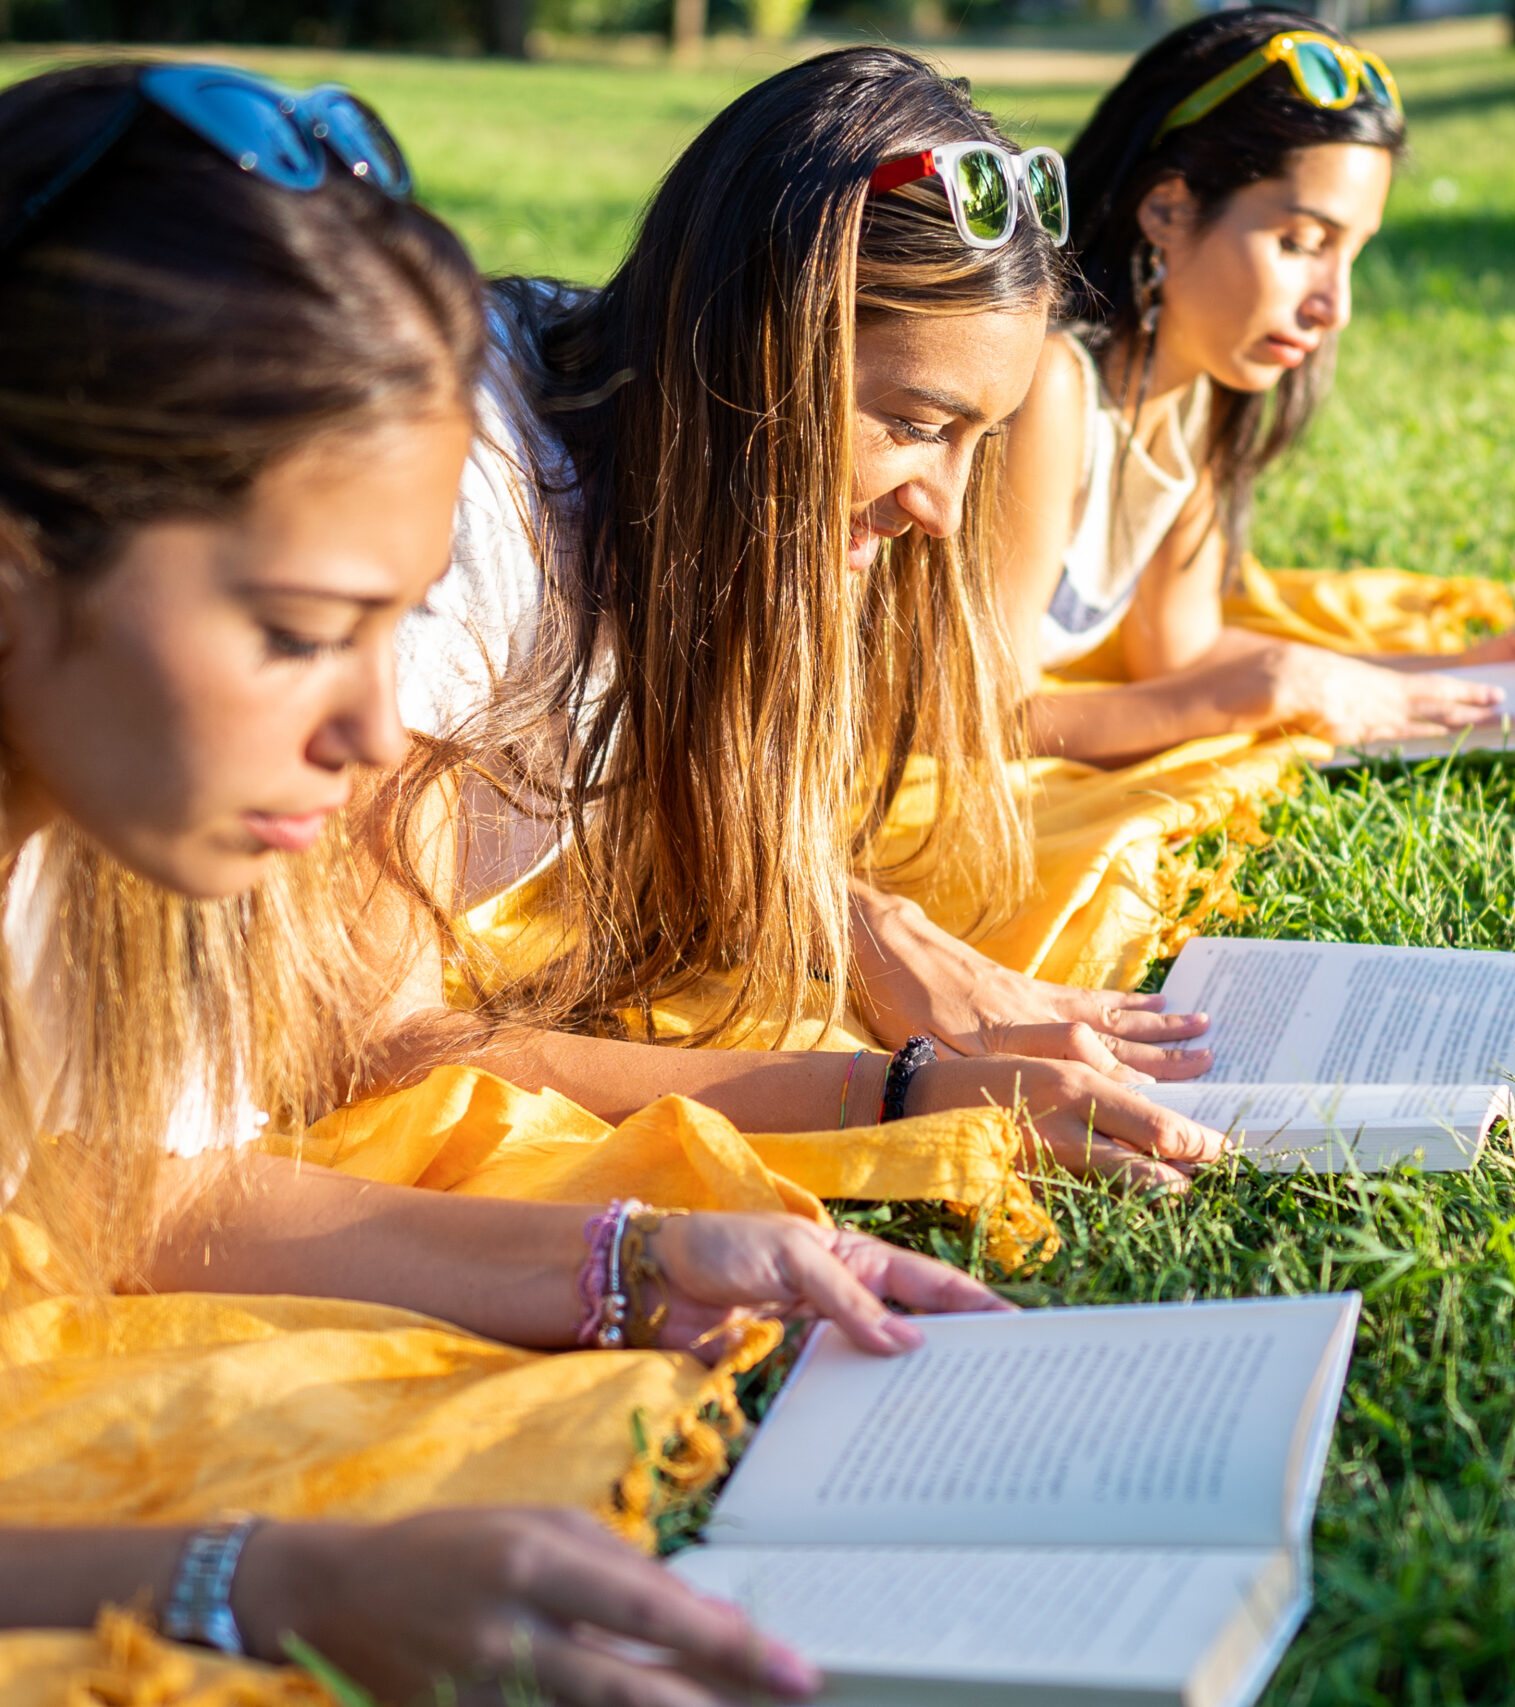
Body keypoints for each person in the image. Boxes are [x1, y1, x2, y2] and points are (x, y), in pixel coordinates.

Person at [0, 63, 1002, 1701]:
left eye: (397, 620)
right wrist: (261, 1575)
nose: (373, 729)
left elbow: (112, 1185)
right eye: (299, 632)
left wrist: (629, 1261)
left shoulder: (75, 770)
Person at [366, 48, 1229, 1187]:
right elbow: (371, 1042)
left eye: (980, 439)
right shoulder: (467, 513)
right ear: (751, 350)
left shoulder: (676, 464)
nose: (944, 509)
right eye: (918, 423)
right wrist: (897, 1093)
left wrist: (867, 927)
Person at [994, 11, 1515, 768]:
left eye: (1351, 253)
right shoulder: (1050, 383)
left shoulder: (1189, 396)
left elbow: (1179, 653)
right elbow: (974, 720)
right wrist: (1269, 688)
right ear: (1167, 208)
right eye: (1301, 243)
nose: (1337, 306)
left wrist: (1453, 676)